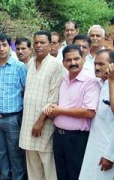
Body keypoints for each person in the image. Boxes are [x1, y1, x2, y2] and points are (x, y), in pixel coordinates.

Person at [45, 44, 100, 180]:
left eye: (76, 58)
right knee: (61, 174)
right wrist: (52, 110)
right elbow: (61, 105)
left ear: (83, 59)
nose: (73, 63)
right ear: (63, 62)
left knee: (75, 174)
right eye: (68, 60)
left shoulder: (90, 82)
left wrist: (60, 110)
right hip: (59, 136)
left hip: (77, 139)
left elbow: (89, 112)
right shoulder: (63, 80)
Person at [19, 30, 64, 180]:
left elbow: (54, 98)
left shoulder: (56, 65)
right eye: (36, 42)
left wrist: (40, 121)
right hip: (28, 121)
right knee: (32, 163)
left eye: (42, 42)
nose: (38, 45)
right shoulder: (30, 63)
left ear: (50, 45)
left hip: (44, 123)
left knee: (47, 161)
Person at [0, 33, 27, 180]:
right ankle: (4, 176)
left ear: (9, 47)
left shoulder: (19, 67)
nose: (1, 48)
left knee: (15, 153)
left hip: (12, 118)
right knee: (1, 152)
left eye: (4, 45)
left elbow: (26, 89)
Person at [79, 49, 114, 180]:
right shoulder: (97, 83)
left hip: (106, 151)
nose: (97, 67)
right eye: (95, 64)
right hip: (93, 147)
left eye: (101, 64)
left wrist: (110, 155)